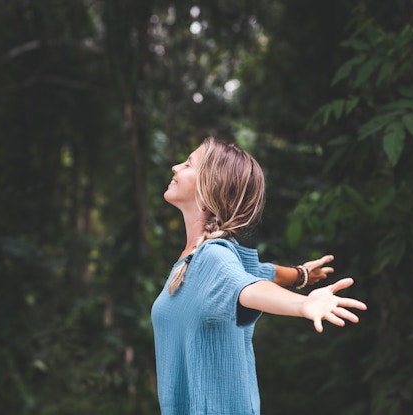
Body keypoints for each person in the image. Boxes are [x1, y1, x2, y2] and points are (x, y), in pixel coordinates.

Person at [151, 136, 367, 415]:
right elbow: (259, 273)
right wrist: (299, 275)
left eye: (188, 163)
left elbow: (250, 288)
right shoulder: (194, 260)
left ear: (208, 189)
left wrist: (302, 305)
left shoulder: (213, 258)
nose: (175, 167)